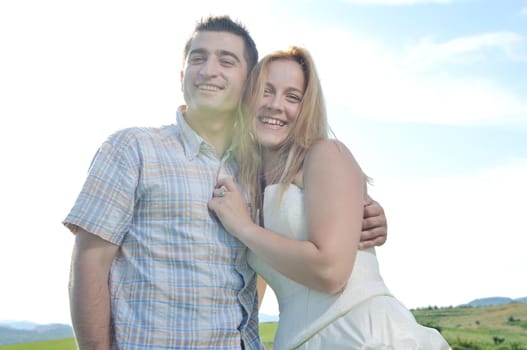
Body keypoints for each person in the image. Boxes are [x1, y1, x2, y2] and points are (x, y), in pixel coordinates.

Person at [64, 16, 388, 350]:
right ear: (182, 75)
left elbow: (283, 246)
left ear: (246, 83)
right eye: (198, 59)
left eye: (226, 60)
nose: (208, 70)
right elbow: (89, 262)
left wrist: (366, 217)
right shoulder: (132, 149)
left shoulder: (258, 174)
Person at [208, 46, 450, 349]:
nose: (276, 105)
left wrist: (244, 228)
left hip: (362, 335)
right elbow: (261, 281)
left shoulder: (325, 155)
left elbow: (331, 273)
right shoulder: (246, 186)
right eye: (265, 92)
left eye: (292, 96)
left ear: (306, 107)